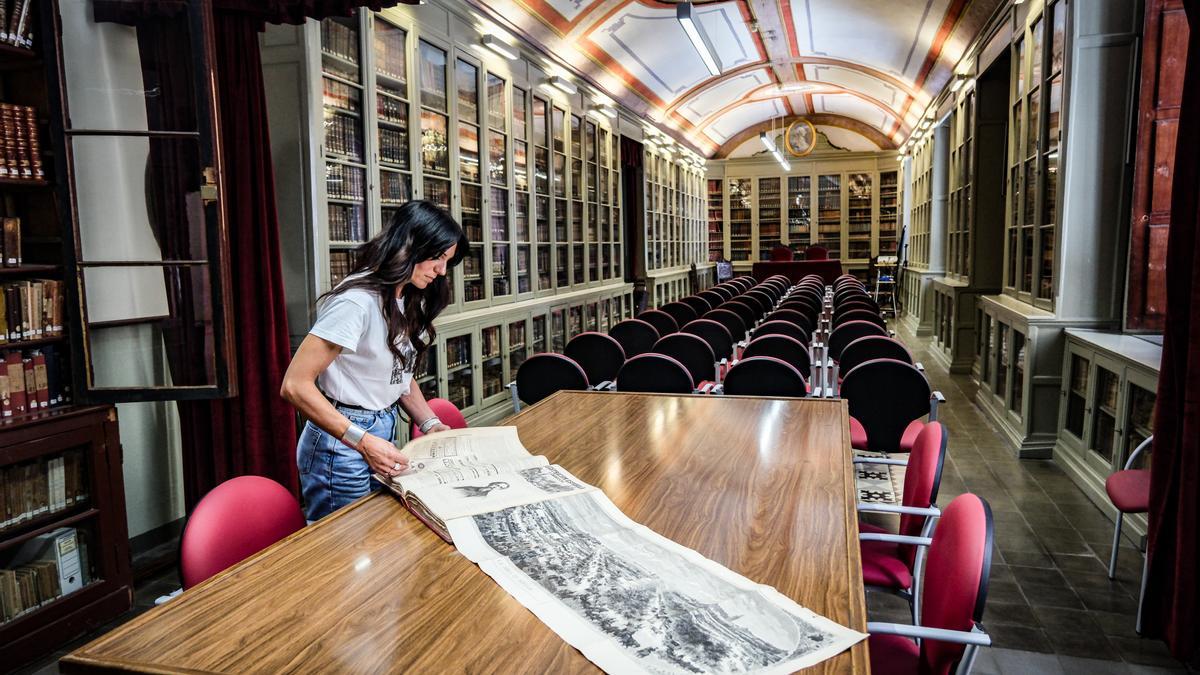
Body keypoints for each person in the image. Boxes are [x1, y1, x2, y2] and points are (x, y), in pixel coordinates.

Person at [281, 200, 468, 521]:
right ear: (409, 246)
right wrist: (362, 440)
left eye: (447, 262)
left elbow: (398, 374)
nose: (441, 271)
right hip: (340, 443)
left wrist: (430, 423)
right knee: (345, 547)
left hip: (380, 430)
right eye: (437, 258)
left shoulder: (405, 299)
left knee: (375, 537)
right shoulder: (356, 302)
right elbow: (295, 386)